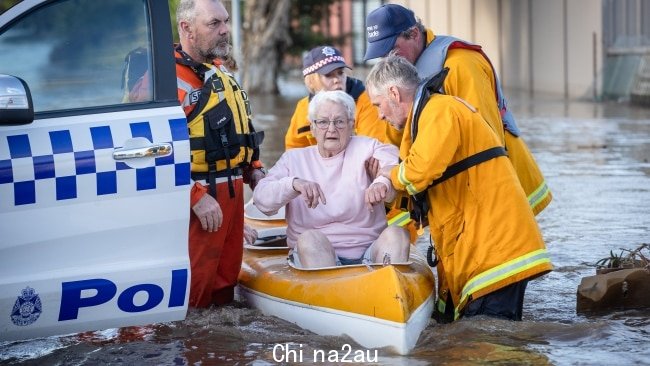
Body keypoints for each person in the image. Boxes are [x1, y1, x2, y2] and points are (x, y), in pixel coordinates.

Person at [366, 55, 553, 322]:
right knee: (466, 334)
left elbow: (420, 170)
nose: (379, 114)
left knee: (490, 347)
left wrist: (389, 175)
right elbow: (431, 190)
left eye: (378, 104)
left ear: (394, 93)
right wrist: (392, 196)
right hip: (477, 250)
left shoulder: (439, 111)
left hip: (493, 252)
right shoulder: (430, 115)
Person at [364, 4, 552, 216]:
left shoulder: (461, 65)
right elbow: (403, 136)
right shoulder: (404, 77)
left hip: (502, 187)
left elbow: (484, 139)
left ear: (414, 34)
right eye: (382, 55)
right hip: (457, 190)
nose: (388, 60)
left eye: (392, 50)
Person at [175, 0, 266, 307]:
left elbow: (238, 134)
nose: (226, 30)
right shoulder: (163, 82)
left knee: (224, 296)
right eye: (214, 24)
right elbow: (148, 154)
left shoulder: (222, 74)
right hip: (198, 205)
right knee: (194, 301)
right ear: (187, 28)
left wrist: (254, 168)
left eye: (226, 21)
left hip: (232, 199)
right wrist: (194, 197)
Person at [254, 90, 410, 268]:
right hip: (317, 253)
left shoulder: (367, 147)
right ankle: (329, 288)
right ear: (312, 127)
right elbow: (261, 200)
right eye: (322, 122)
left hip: (369, 250)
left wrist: (381, 182)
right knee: (309, 238)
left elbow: (393, 160)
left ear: (351, 124)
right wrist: (294, 184)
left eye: (339, 122)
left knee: (398, 234)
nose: (331, 129)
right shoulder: (293, 159)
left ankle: (389, 290)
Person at [285, 45, 400, 149]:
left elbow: (373, 149)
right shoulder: (303, 108)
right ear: (311, 81)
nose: (337, 80)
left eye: (340, 73)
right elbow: (294, 151)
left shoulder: (368, 102)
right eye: (328, 75)